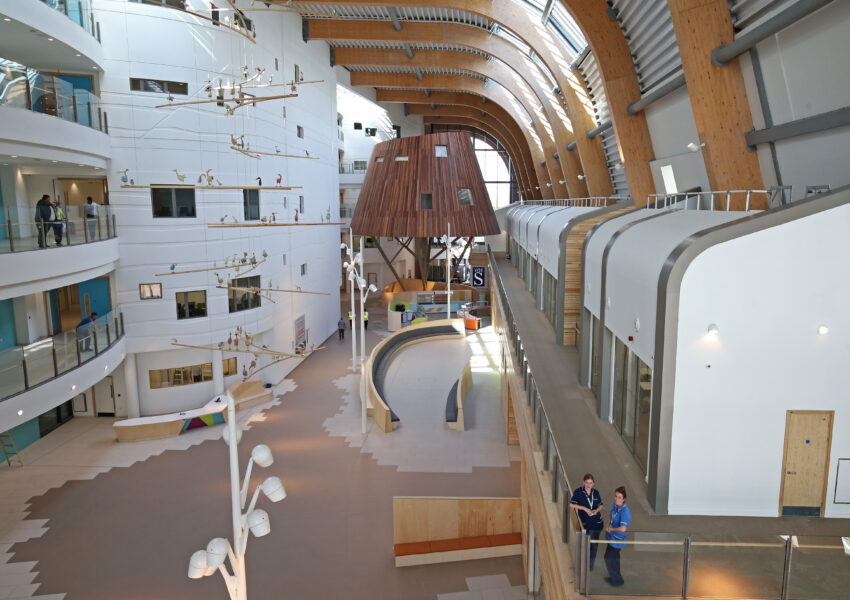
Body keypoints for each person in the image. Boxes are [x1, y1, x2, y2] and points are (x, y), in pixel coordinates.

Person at [569, 473, 604, 570]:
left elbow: (601, 505)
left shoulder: (595, 492)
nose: (589, 485)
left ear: (593, 483)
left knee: (594, 546)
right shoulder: (578, 492)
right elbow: (572, 505)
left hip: (597, 523)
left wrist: (596, 510)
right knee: (583, 545)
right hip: (585, 524)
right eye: (587, 483)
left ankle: (590, 566)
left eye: (591, 483)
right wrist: (584, 508)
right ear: (583, 482)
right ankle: (581, 565)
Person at [604, 486, 630, 587]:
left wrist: (612, 529)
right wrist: (607, 525)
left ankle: (617, 580)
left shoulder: (625, 512)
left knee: (611, 559)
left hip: (617, 540)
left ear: (624, 499)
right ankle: (614, 576)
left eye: (619, 497)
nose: (616, 499)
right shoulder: (615, 506)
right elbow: (611, 515)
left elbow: (623, 528)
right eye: (616, 496)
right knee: (610, 558)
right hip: (611, 537)